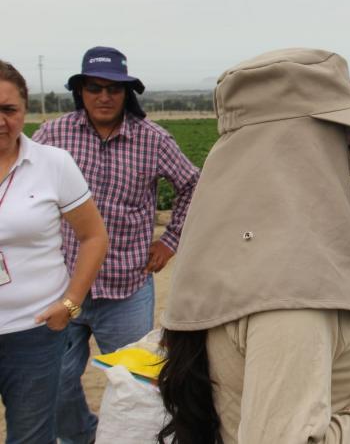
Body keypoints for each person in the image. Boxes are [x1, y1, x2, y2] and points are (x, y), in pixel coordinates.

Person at [158, 48, 350, 444]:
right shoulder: (292, 295)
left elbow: (328, 373)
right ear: (299, 152)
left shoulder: (251, 258)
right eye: (345, 144)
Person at [32, 46, 200, 443]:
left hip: (127, 288)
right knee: (54, 381)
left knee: (134, 382)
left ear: (128, 93)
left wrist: (170, 242)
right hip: (64, 284)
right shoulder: (53, 136)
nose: (104, 97)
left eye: (114, 89)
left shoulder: (153, 139)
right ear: (81, 91)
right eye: (94, 87)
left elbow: (194, 185)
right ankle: (82, 436)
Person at [0, 60, 107, 443]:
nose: (0, 120)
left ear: (25, 110)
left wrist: (71, 305)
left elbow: (94, 236)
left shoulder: (52, 164)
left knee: (31, 436)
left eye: (8, 110)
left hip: (34, 332)